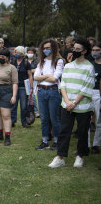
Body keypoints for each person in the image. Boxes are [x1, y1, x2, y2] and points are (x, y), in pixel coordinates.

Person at [48, 36, 94, 168]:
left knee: (82, 131)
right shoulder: (68, 66)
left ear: (84, 51)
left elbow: (86, 88)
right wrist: (67, 101)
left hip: (83, 106)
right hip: (66, 105)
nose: (75, 51)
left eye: (78, 49)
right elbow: (63, 85)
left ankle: (80, 156)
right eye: (74, 48)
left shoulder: (89, 67)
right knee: (64, 131)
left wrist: (74, 102)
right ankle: (60, 157)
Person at [34, 39, 64, 150]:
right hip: (41, 91)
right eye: (44, 48)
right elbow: (35, 77)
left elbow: (55, 78)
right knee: (44, 118)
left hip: (53, 91)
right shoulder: (41, 61)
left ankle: (57, 141)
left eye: (48, 48)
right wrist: (47, 76)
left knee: (54, 118)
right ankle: (45, 141)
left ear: (54, 48)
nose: (46, 50)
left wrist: (43, 77)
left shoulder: (59, 61)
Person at [11, 46, 33, 128]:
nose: (16, 54)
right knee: (13, 104)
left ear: (22, 54)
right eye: (15, 52)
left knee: (23, 105)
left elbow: (30, 75)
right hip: (14, 86)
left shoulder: (26, 63)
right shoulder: (13, 61)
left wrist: (31, 87)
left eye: (18, 53)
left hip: (23, 87)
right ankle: (12, 121)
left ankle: (24, 121)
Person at [89, 42, 101, 154]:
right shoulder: (90, 64)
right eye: (93, 50)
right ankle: (86, 144)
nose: (95, 52)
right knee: (86, 120)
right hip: (88, 92)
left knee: (98, 121)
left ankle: (96, 144)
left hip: (98, 93)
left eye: (97, 50)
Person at [26, 47, 40, 117]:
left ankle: (36, 111)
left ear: (34, 53)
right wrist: (31, 70)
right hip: (26, 80)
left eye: (31, 53)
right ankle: (28, 110)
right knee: (28, 95)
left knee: (33, 95)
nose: (30, 54)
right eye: (28, 52)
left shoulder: (36, 61)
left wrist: (29, 70)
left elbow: (38, 70)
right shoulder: (25, 60)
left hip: (34, 79)